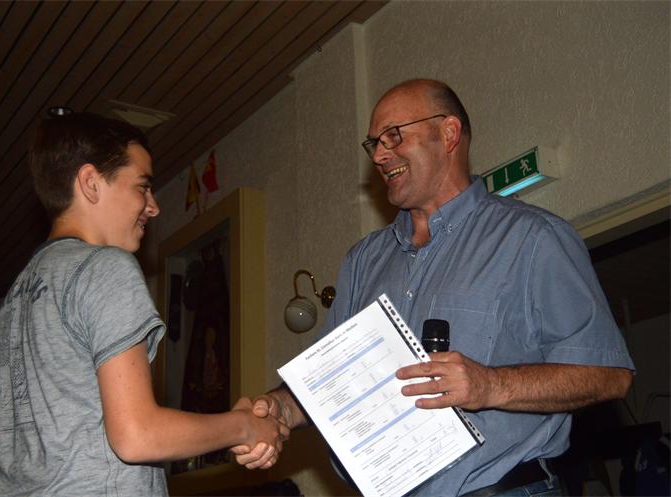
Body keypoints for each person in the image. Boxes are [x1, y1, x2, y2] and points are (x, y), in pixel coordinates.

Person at [233, 79, 634, 496]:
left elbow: (609, 375)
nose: (380, 155)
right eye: (374, 144)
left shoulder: (532, 239)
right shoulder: (362, 261)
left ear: (448, 133)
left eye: (393, 136)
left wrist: (490, 385)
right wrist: (281, 408)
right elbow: (332, 382)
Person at [0, 113, 285, 496]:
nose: (153, 206)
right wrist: (244, 426)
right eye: (142, 187)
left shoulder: (11, 306)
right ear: (91, 183)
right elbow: (137, 435)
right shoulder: (104, 266)